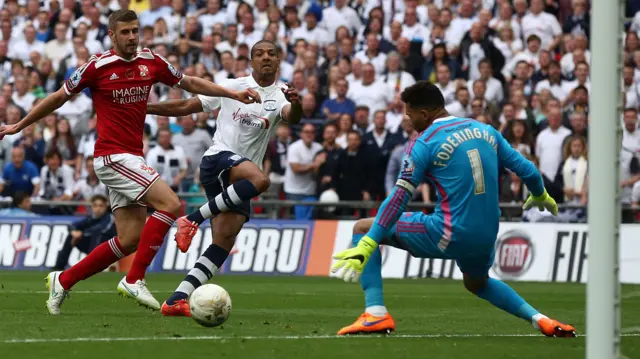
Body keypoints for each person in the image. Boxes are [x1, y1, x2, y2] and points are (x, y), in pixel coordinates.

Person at [0, 10, 260, 315]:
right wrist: (19, 126)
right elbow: (58, 97)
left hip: (131, 157)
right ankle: (134, 278)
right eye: (125, 32)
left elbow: (189, 82)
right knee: (171, 204)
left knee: (130, 239)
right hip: (111, 156)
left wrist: (232, 93)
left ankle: (64, 279)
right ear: (112, 35)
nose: (132, 37)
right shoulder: (97, 66)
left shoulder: (152, 61)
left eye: (135, 31)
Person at [330, 81, 576, 338]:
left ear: (424, 114)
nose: (408, 120)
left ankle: (375, 313)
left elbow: (399, 197)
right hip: (486, 237)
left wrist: (370, 242)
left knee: (362, 227)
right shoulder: (486, 131)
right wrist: (540, 194)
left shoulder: (424, 143)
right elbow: (527, 169)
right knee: (477, 283)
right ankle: (541, 319)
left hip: (448, 232)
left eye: (409, 114)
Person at [145, 40, 302, 316]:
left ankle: (177, 298)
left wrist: (297, 104)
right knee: (262, 181)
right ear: (251, 62)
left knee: (224, 241)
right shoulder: (232, 86)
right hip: (218, 159)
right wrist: (146, 109)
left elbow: (292, 116)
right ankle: (191, 219)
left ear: (278, 62)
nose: (266, 58)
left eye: (272, 54)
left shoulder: (281, 95)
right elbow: (187, 106)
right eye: (259, 54)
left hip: (240, 181)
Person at [53, 195, 117, 271]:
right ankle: (59, 267)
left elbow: (100, 229)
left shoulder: (109, 217)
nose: (98, 208)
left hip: (107, 247)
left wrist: (81, 234)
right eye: (95, 206)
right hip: (91, 245)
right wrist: (74, 232)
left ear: (105, 207)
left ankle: (92, 265)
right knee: (71, 236)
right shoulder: (91, 218)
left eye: (101, 206)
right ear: (92, 207)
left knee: (97, 235)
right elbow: (72, 225)